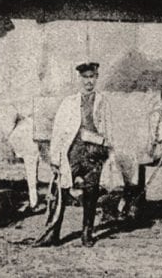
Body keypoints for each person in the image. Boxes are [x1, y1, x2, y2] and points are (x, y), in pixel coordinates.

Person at [35, 62, 110, 248]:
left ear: (96, 77)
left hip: (93, 155)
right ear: (80, 79)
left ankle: (87, 233)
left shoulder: (103, 102)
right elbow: (58, 132)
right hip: (72, 153)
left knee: (91, 195)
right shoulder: (69, 103)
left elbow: (109, 130)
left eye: (92, 77)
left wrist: (104, 148)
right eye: (85, 78)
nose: (88, 82)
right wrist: (55, 158)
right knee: (60, 191)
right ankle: (53, 232)